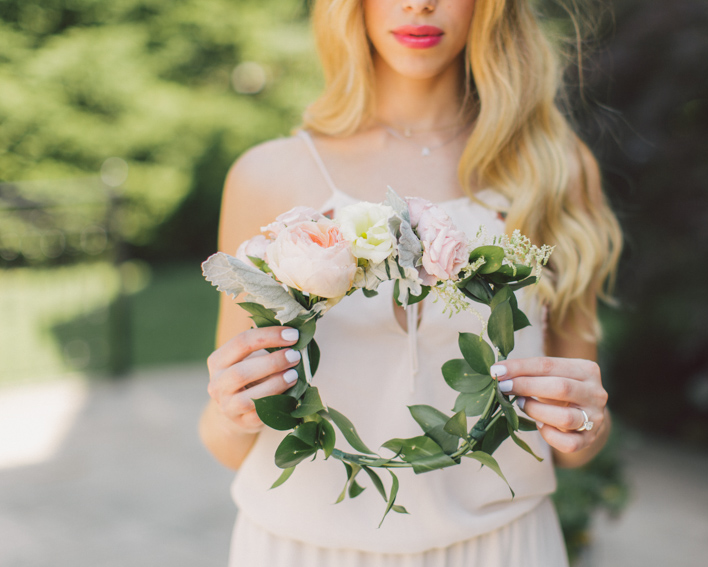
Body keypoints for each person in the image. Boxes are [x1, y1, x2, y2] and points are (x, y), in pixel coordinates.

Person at [200, 0, 622, 565]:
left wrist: (584, 425)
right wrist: (231, 408)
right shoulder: (269, 175)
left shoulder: (552, 170)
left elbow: (579, 433)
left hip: (503, 546)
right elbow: (227, 439)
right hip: (300, 548)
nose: (418, 3)